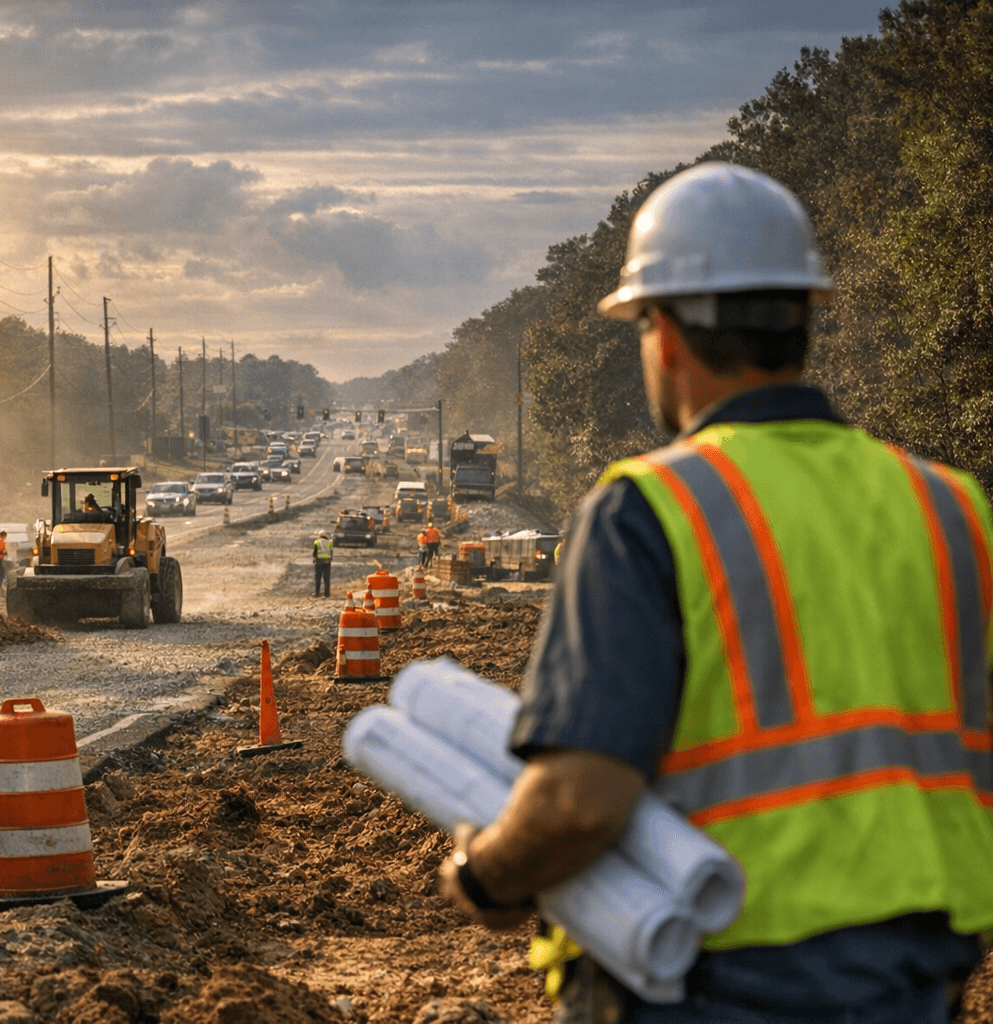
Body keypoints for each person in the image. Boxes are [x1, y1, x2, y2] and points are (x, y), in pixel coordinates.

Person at [437, 163, 993, 1022]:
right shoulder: (952, 507)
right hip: (919, 978)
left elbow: (581, 800)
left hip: (719, 979)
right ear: (805, 317)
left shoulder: (649, 510)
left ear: (661, 331)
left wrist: (484, 874)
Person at [312, 531, 334, 597]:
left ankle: (317, 593)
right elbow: (331, 552)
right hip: (327, 562)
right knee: (327, 578)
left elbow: (314, 552)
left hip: (319, 562)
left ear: (320, 535)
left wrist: (314, 558)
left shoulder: (317, 542)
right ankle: (327, 593)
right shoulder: (330, 542)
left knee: (318, 578)